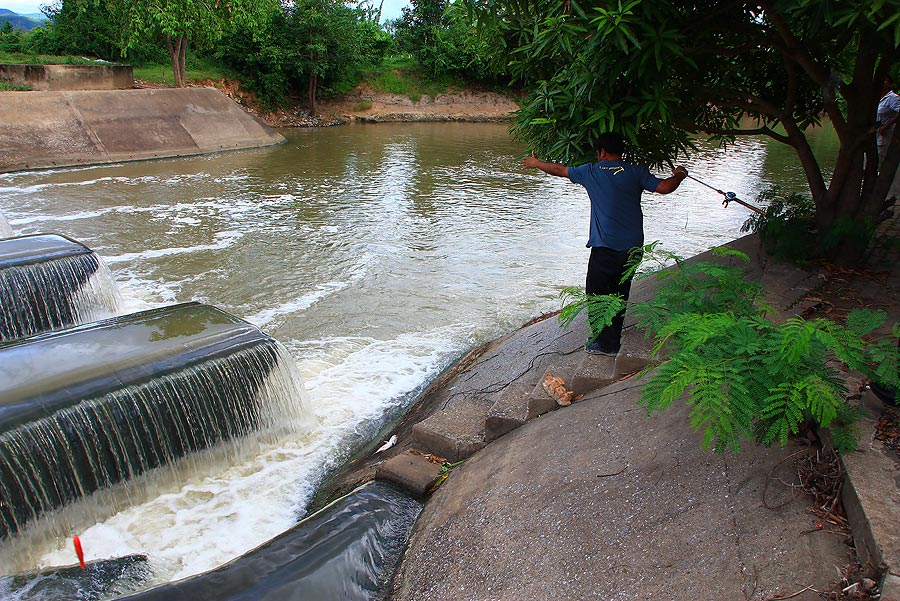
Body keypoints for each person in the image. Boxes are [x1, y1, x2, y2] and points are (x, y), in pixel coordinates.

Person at [522, 132, 688, 356]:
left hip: (605, 248)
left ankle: (605, 344)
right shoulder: (636, 171)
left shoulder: (591, 171)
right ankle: (610, 339)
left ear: (601, 152)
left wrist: (535, 163)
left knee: (598, 295)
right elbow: (665, 187)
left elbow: (559, 170)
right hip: (633, 248)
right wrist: (679, 175)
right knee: (620, 293)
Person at [877, 76, 900, 201]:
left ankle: (890, 195)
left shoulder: (893, 98)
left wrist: (886, 126)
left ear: (890, 84)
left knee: (883, 164)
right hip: (873, 136)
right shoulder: (876, 97)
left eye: (885, 80)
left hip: (884, 136)